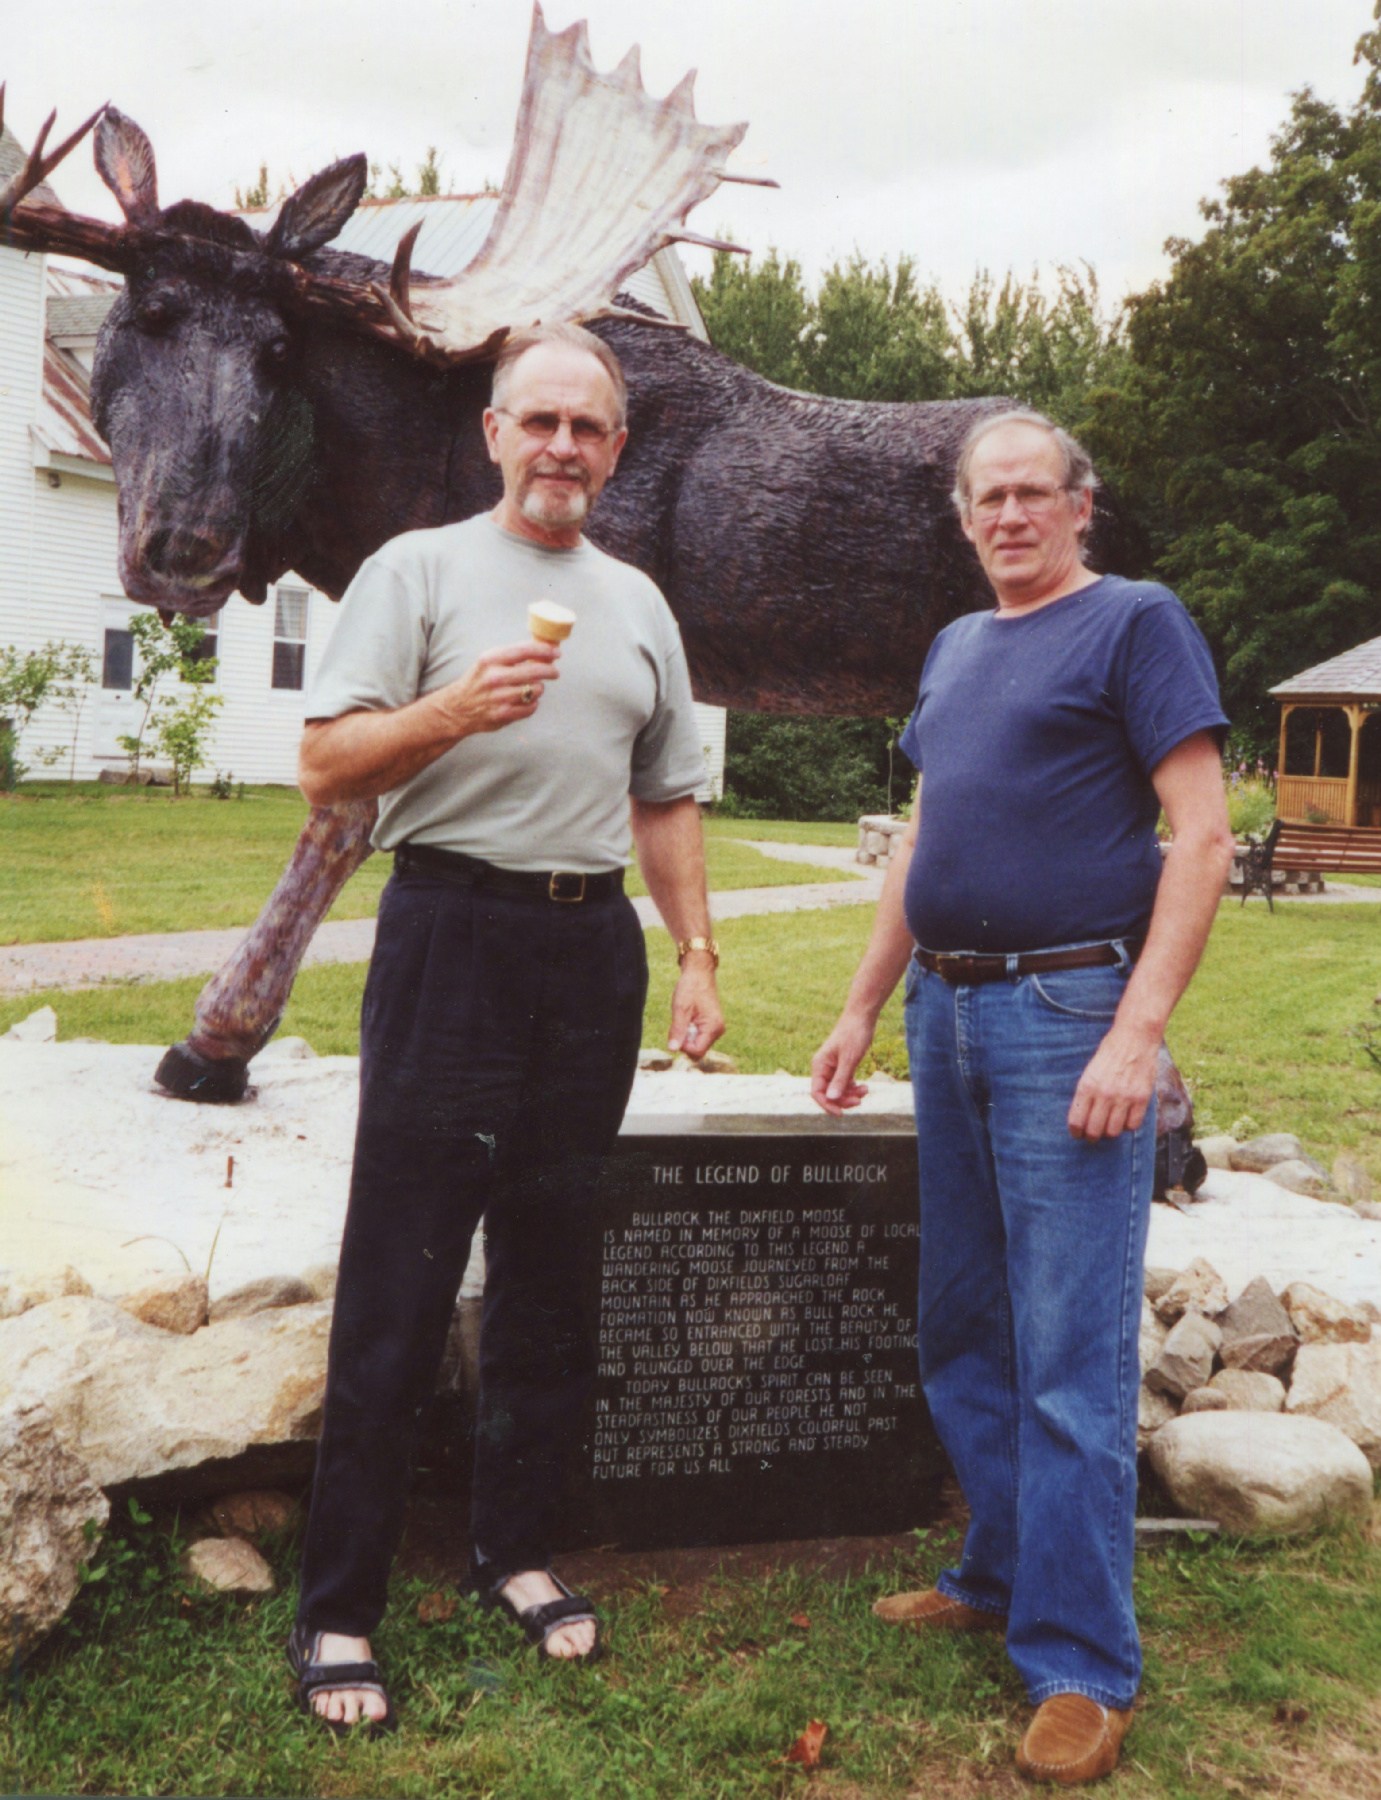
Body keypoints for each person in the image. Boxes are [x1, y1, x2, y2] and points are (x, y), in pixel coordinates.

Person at [288, 321, 724, 1733]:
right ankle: (340, 1604)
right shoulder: (416, 573)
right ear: (492, 434)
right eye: (536, 422)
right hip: (450, 932)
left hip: (586, 947)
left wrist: (697, 954)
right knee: (402, 1269)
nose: (560, 448)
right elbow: (323, 765)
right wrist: (451, 710)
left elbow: (666, 801)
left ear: (615, 447)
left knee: (551, 1259)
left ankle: (516, 1548)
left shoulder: (642, 604)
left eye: (586, 428)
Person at [811, 410, 1233, 1786]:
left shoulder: (1133, 623)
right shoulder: (954, 649)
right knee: (961, 1322)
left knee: (1068, 1347)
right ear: (963, 514)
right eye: (985, 498)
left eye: (1030, 494)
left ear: (1076, 506)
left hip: (1068, 1014)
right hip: (946, 1007)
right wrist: (865, 1002)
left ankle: (1080, 1664)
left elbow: (1200, 831)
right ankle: (994, 1569)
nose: (1007, 517)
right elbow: (925, 836)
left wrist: (1137, 1031)